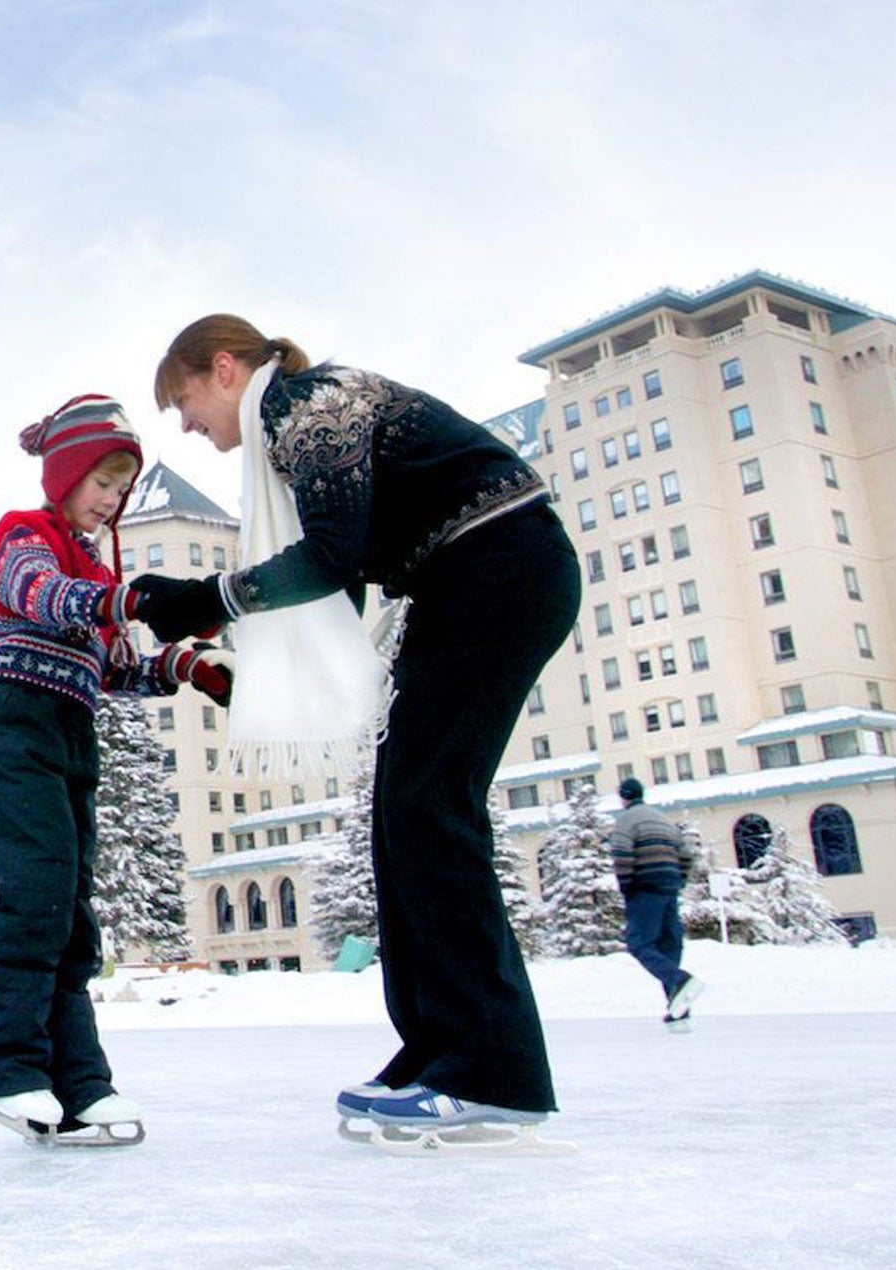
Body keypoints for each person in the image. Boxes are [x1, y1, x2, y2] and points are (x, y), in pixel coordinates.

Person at [137, 317, 579, 1137]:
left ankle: (492, 1071)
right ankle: (438, 1048)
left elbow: (335, 556)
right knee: (403, 814)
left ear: (225, 369)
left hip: (499, 567)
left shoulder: (307, 407)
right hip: (468, 580)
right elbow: (339, 601)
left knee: (430, 808)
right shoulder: (292, 424)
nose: (189, 425)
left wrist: (205, 599)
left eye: (185, 401)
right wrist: (248, 672)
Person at [0, 394, 232, 1143]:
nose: (112, 502)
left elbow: (114, 668)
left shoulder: (90, 562)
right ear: (68, 473)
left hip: (70, 731)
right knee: (37, 889)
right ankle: (1, 1066)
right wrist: (128, 598)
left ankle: (79, 1087)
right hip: (7, 719)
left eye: (122, 490)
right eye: (103, 484)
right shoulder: (26, 536)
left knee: (71, 912)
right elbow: (38, 597)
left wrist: (184, 666)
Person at [610, 777, 704, 1029]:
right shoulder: (662, 819)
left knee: (639, 943)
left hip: (644, 887)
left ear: (623, 797)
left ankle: (679, 980)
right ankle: (678, 1005)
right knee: (669, 944)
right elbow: (686, 855)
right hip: (668, 887)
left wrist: (626, 885)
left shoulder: (625, 821)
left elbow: (621, 854)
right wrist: (678, 880)